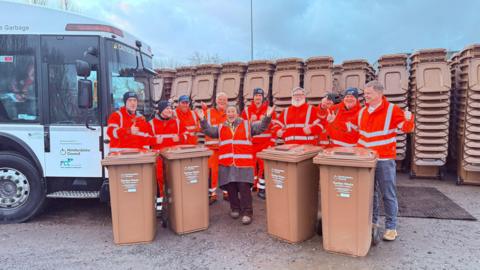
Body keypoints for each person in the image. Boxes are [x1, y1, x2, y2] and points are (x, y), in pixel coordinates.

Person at [352, 80, 414, 241]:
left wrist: (409, 119)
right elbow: (355, 132)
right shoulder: (362, 112)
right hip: (366, 160)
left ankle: (391, 227)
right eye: (364, 93)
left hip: (384, 159)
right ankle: (372, 223)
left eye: (368, 94)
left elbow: (407, 129)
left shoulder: (392, 110)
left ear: (379, 94)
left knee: (388, 194)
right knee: (369, 194)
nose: (365, 96)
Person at [197, 104, 275, 225]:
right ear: (226, 114)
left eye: (233, 111)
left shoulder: (247, 125)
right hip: (227, 163)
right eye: (228, 112)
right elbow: (209, 131)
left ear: (237, 113)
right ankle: (235, 208)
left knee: (244, 188)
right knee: (231, 187)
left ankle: (247, 212)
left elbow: (261, 127)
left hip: (243, 164)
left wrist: (267, 117)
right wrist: (203, 120)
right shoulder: (221, 127)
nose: (230, 114)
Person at [148, 100, 188, 212]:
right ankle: (160, 208)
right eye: (167, 108)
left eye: (171, 108)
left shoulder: (177, 122)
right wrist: (155, 140)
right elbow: (145, 139)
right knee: (159, 181)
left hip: (174, 159)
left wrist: (180, 138)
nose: (170, 110)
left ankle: (175, 206)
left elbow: (187, 136)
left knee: (175, 181)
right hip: (158, 159)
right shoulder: (151, 124)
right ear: (160, 110)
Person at [241, 88, 277, 199]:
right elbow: (242, 127)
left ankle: (262, 188)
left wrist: (272, 142)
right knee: (250, 165)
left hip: (265, 143)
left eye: (260, 96)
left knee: (263, 166)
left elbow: (275, 127)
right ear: (253, 97)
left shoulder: (269, 110)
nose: (258, 98)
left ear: (263, 97)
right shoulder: (246, 111)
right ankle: (253, 185)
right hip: (251, 144)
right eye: (256, 95)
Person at [202, 92, 228, 204]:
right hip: (212, 148)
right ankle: (212, 194)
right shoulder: (208, 113)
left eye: (224, 100)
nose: (222, 101)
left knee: (226, 171)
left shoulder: (230, 113)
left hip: (225, 148)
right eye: (220, 99)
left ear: (227, 102)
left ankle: (227, 192)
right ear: (216, 100)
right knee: (212, 171)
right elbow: (201, 126)